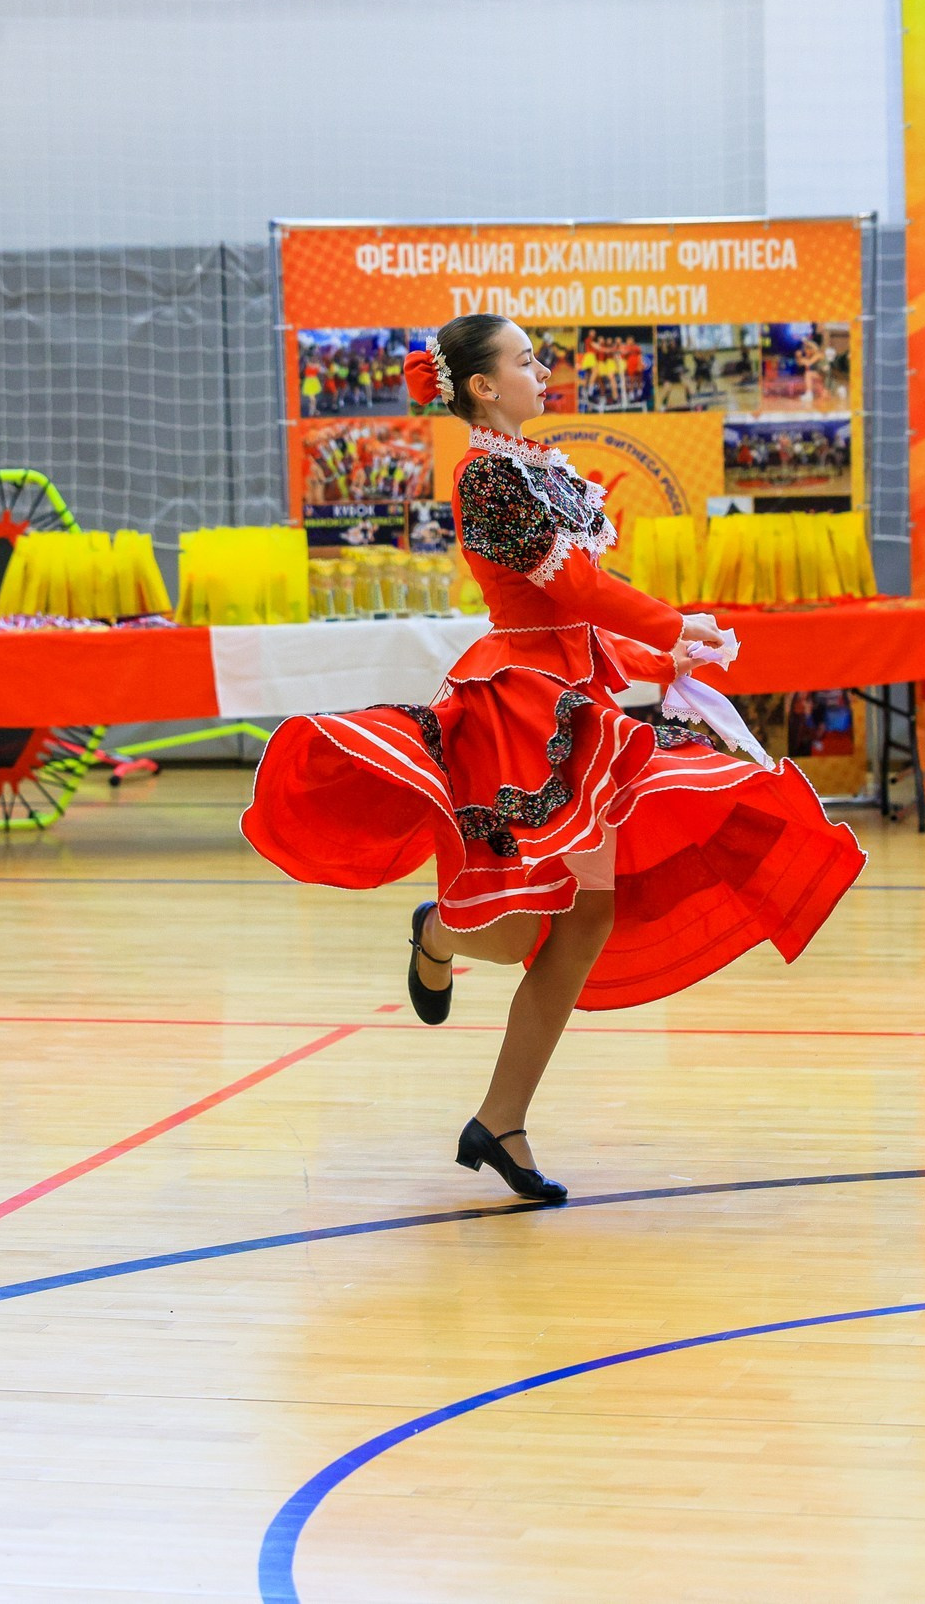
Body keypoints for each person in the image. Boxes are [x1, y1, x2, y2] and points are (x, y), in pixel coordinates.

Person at [242, 314, 865, 1201]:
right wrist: (672, 623)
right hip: (525, 711)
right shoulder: (486, 475)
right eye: (526, 360)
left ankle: (500, 1118)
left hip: (580, 698)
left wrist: (659, 660)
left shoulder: (535, 466)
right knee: (537, 911)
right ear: (486, 387)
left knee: (582, 921)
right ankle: (437, 933)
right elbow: (567, 590)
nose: (544, 371)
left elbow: (575, 618)